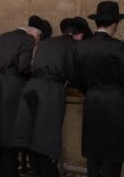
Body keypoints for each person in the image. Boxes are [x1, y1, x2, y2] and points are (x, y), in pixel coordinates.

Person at [73, 1, 124, 177]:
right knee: (112, 157)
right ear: (115, 23)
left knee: (94, 157)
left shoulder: (81, 46)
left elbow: (76, 79)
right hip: (113, 105)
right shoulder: (117, 46)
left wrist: (92, 91)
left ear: (97, 22)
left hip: (92, 102)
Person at [13, 17, 91, 177]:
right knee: (48, 141)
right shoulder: (74, 46)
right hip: (50, 92)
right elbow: (75, 74)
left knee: (32, 139)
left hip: (32, 87)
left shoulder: (45, 42)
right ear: (80, 36)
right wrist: (86, 88)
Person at [0, 15, 52, 177]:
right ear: (37, 34)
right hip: (13, 90)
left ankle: (2, 173)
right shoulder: (28, 40)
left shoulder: (1, 37)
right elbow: (23, 66)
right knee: (10, 136)